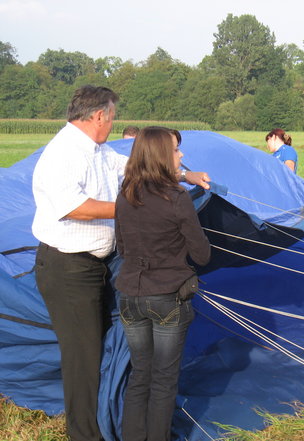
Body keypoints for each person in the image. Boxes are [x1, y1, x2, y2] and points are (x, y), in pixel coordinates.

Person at [31, 85, 210, 441]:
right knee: (83, 358)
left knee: (104, 348)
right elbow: (75, 207)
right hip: (69, 268)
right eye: (112, 117)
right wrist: (147, 210)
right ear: (99, 116)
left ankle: (112, 423)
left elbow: (140, 168)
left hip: (101, 265)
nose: (113, 124)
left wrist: (184, 176)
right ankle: (84, 436)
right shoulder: (62, 154)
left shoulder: (98, 150)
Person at [115, 127, 211, 441]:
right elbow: (202, 254)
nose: (181, 155)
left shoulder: (126, 193)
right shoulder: (176, 197)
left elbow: (122, 248)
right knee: (164, 380)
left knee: (140, 374)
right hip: (167, 297)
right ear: (160, 155)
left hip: (130, 296)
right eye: (175, 150)